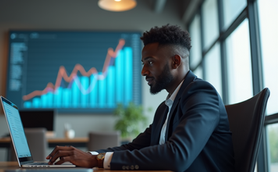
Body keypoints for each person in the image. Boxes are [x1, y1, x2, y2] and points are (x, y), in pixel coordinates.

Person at [46, 24, 235, 172]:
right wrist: (89, 155)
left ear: (175, 61)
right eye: (143, 63)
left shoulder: (201, 93)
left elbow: (178, 155)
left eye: (150, 62)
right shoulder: (165, 107)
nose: (144, 71)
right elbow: (133, 147)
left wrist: (96, 160)